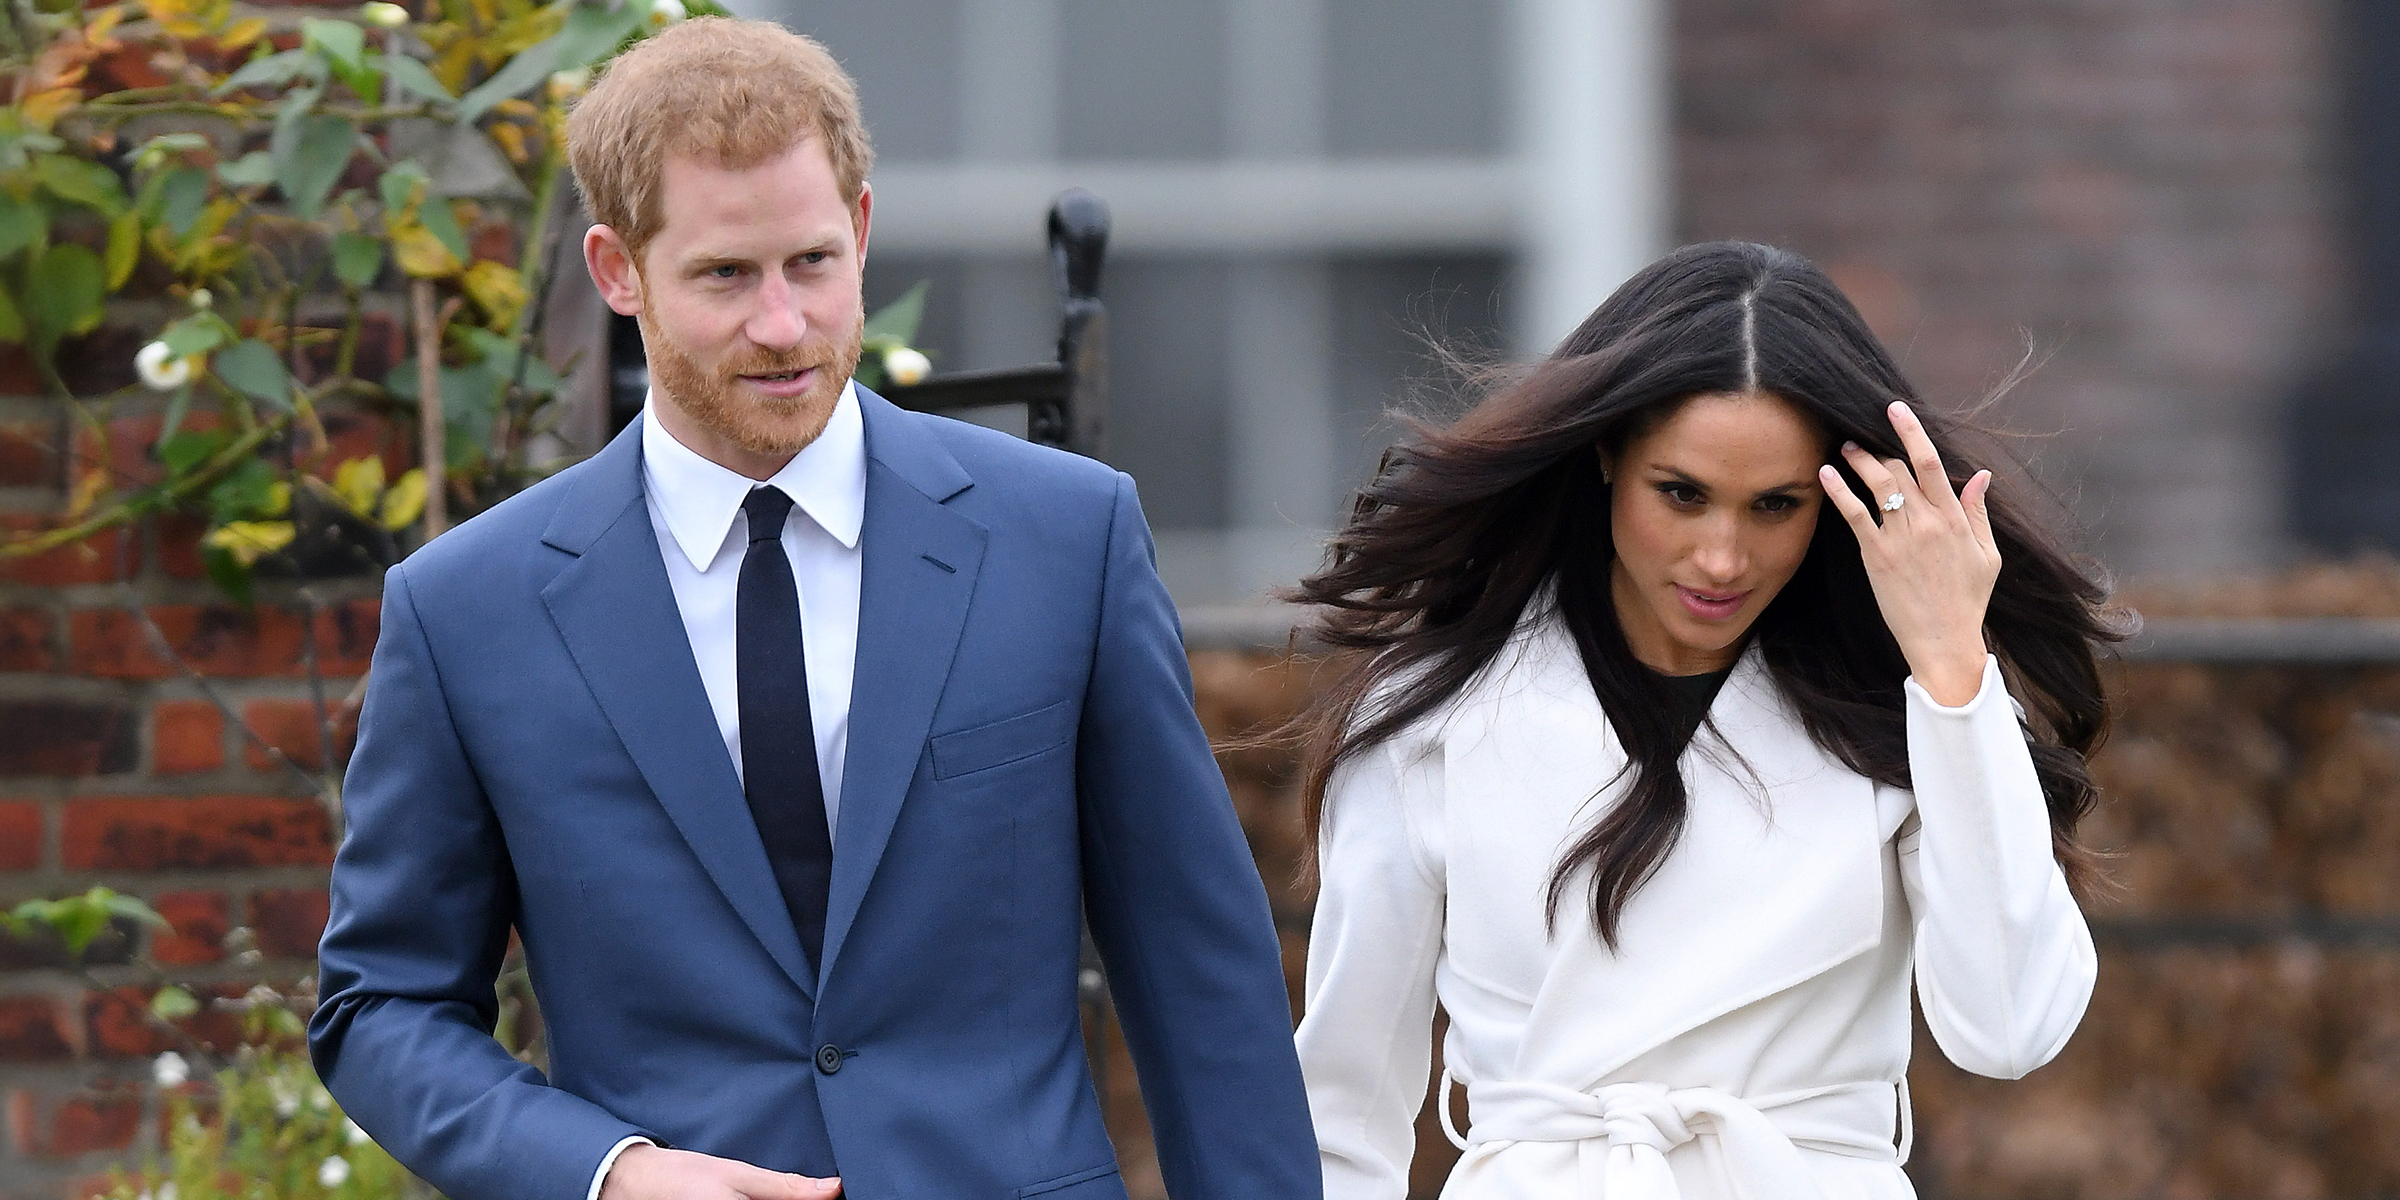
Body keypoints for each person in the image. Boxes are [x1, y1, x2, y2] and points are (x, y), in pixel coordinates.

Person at [308, 18, 1317, 1200]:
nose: (783, 327)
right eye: (726, 275)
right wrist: (607, 1172)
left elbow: (1201, 970)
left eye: (813, 264)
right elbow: (381, 1004)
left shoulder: (1065, 538)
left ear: (864, 229)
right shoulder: (466, 609)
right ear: (617, 269)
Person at [1286, 241, 2111, 1200]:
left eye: (1775, 506)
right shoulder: (1433, 720)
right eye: (1681, 495)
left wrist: (1956, 669)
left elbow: (2009, 1029)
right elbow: (1342, 1114)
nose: (1721, 558)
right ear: (1605, 455)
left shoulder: (1920, 714)